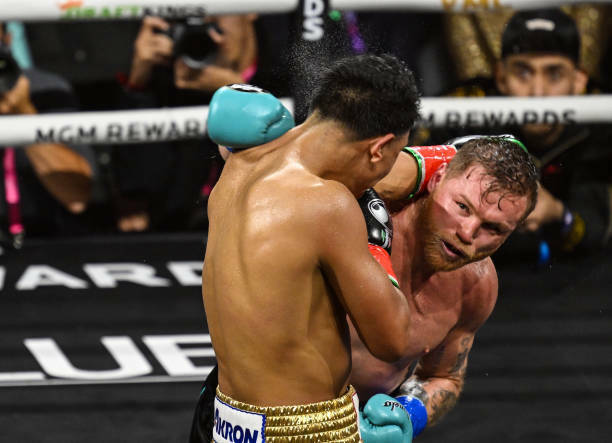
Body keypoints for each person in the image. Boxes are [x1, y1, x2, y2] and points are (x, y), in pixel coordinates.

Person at [200, 54, 420, 442]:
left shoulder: (238, 159)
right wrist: (377, 242)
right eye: (390, 159)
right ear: (379, 149)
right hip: (304, 432)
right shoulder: (327, 205)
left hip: (227, 424)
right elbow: (393, 340)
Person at [353, 135, 538, 441]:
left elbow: (444, 377)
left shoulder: (476, 284)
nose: (467, 232)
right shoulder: (355, 220)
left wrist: (409, 414)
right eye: (462, 206)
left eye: (493, 228)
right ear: (437, 178)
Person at [419, 8, 612, 264]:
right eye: (523, 72)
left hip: (574, 270)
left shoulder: (602, 120)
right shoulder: (464, 110)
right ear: (501, 76)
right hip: (471, 264)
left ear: (578, 81)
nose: (538, 91)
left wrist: (558, 215)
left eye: (554, 73)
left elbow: (600, 229)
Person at [113, 13, 291, 232]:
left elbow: (293, 180)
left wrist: (238, 91)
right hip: (182, 232)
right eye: (191, 22)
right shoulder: (168, 80)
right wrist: (138, 85)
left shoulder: (290, 68)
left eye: (214, 22)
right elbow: (136, 196)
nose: (207, 36)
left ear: (250, 10)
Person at [0, 23, 95, 247]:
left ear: (7, 40)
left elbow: (76, 198)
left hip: (41, 241)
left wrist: (25, 114)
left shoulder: (46, 89)